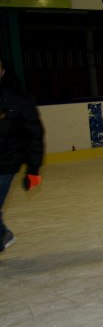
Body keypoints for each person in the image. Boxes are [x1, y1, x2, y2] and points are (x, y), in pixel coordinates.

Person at [0, 57, 45, 254]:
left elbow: (35, 134)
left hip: (5, 163)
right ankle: (2, 234)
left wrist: (33, 169)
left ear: (2, 72)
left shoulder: (18, 99)